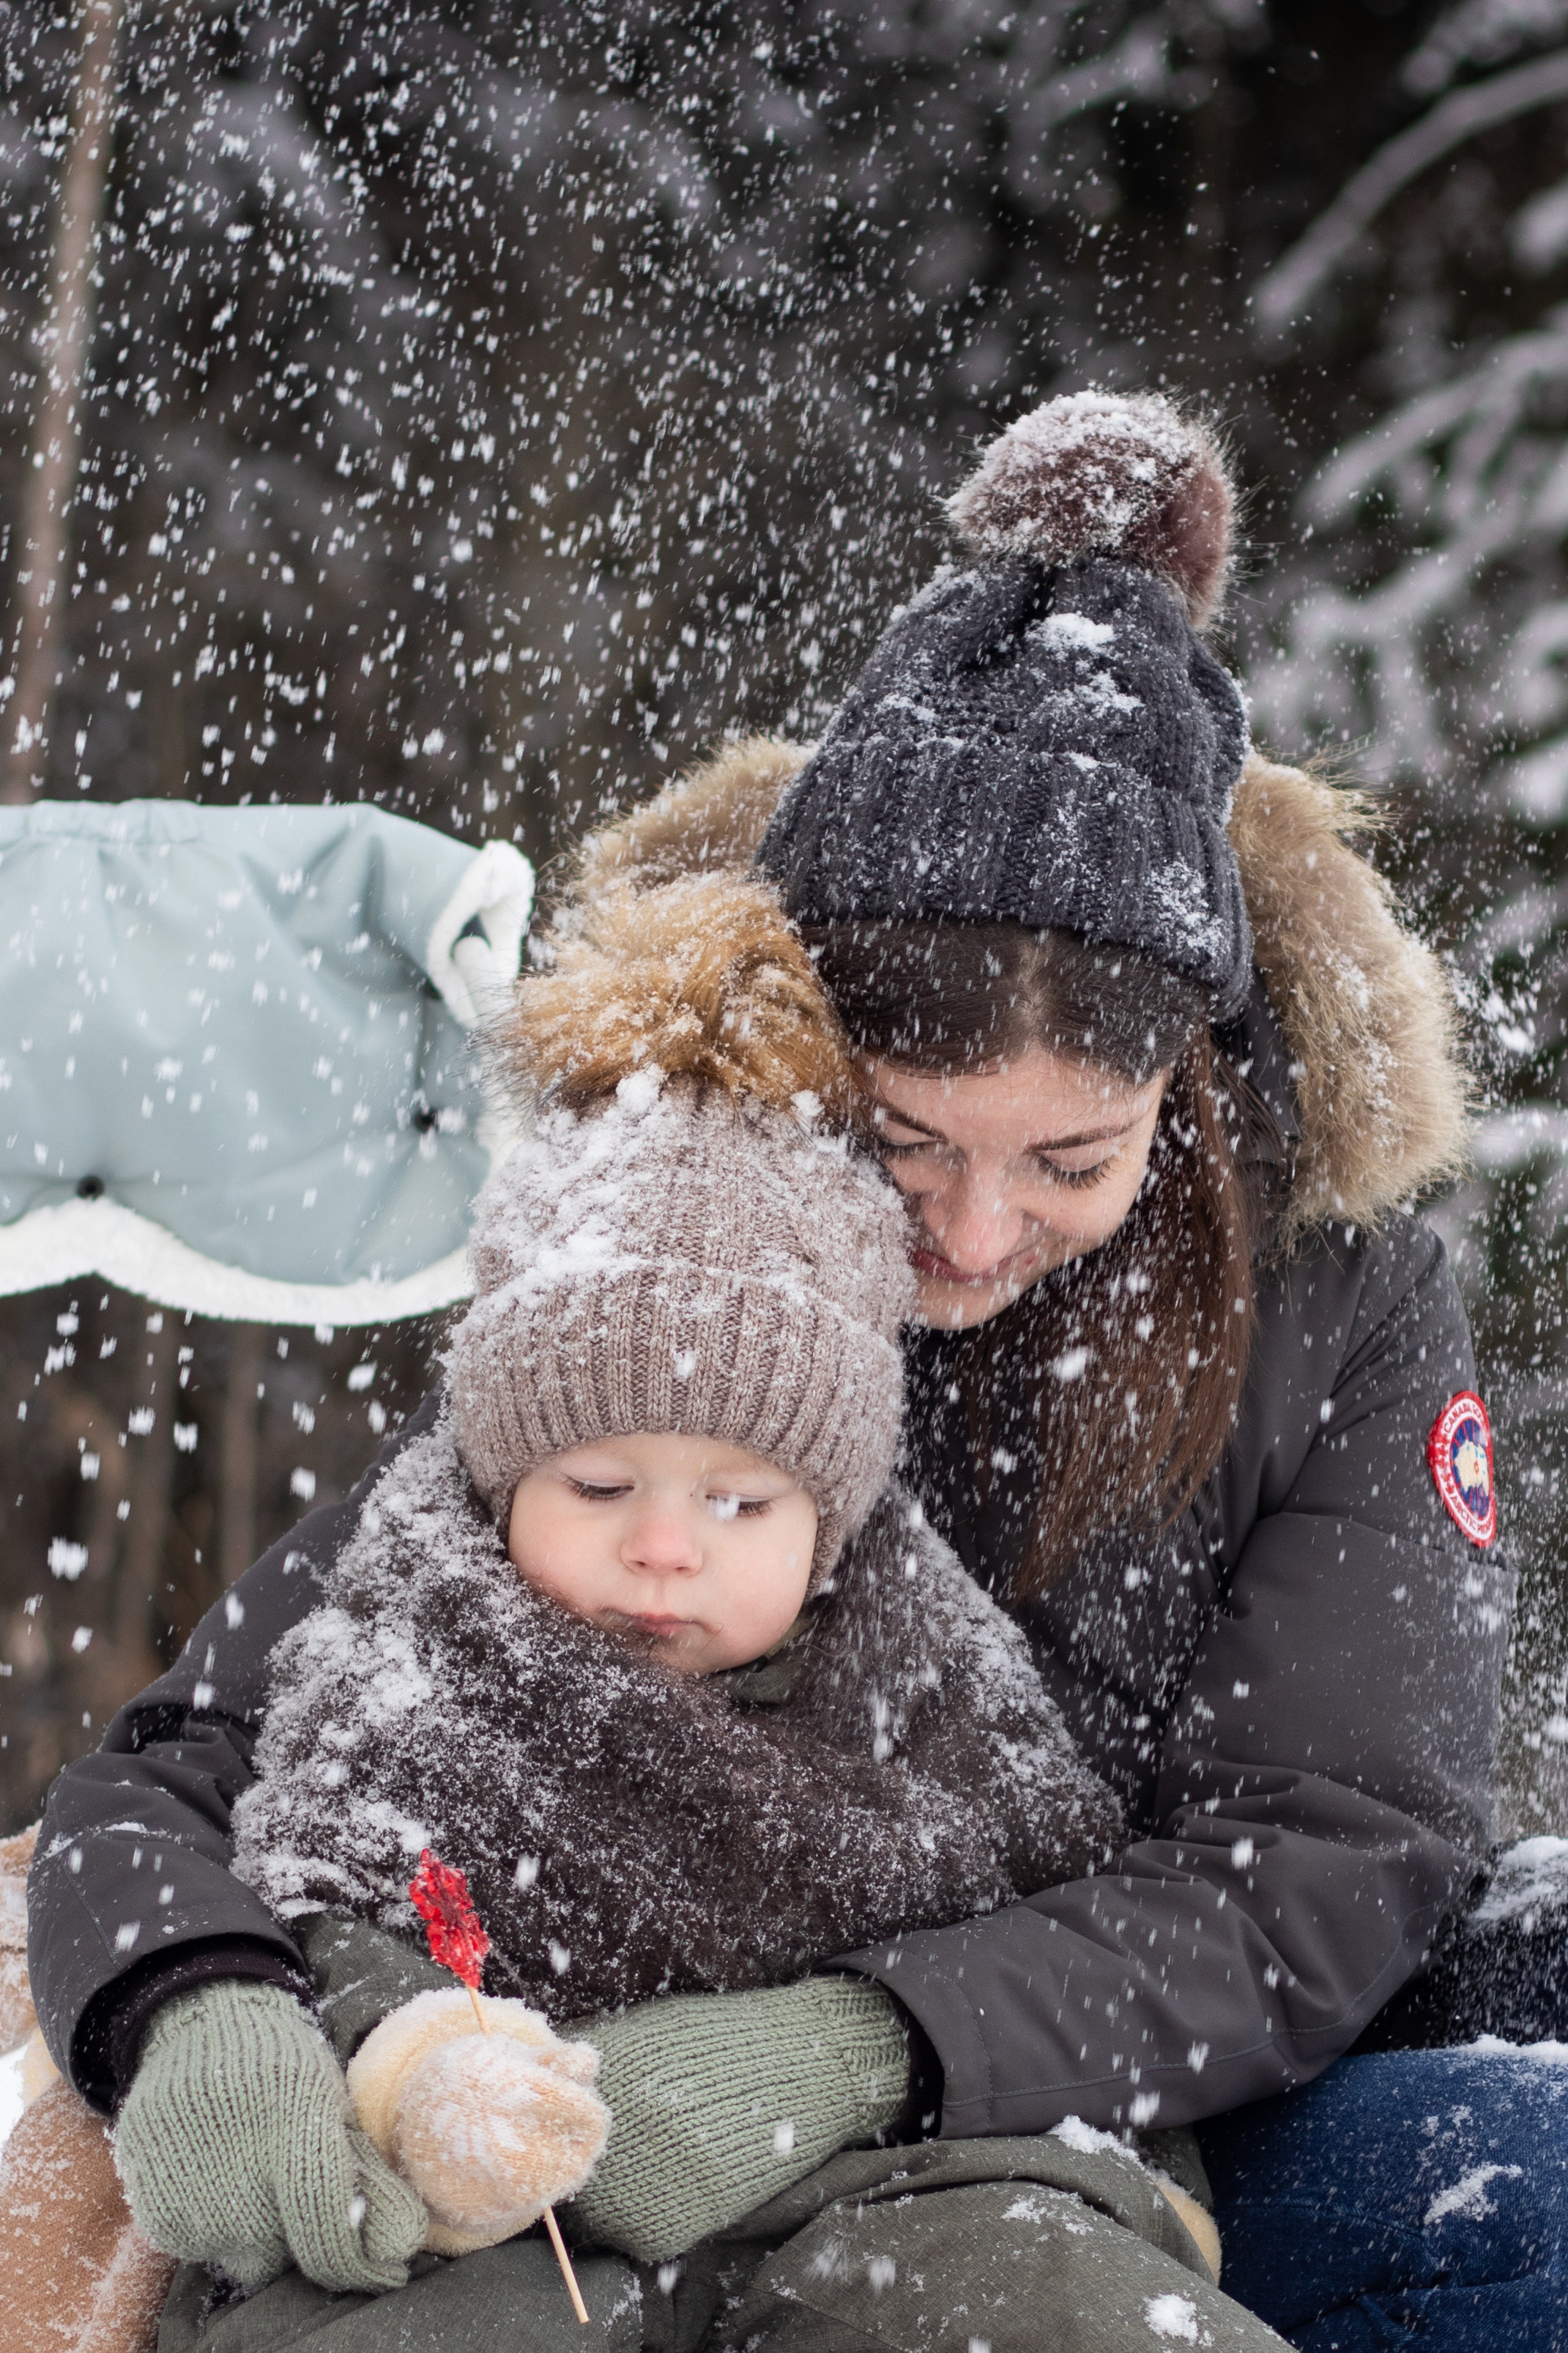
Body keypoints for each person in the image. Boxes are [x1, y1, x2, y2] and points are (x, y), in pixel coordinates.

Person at [23, 389, 1538, 2350]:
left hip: (1107, 2089)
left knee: (1520, 2181)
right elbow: (235, 1739)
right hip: (562, 2106)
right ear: (819, 1064)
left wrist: (870, 2042)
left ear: (1188, 1086)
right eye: (909, 1143)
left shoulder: (1331, 1305)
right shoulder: (692, 1251)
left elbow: (1334, 1850)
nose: (974, 1229)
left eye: (1069, 1161)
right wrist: (190, 1994)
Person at [114, 872, 1124, 2297]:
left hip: (877, 2184)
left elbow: (1062, 1919)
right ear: (499, 1481)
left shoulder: (928, 1684)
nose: (663, 1546)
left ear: (831, 1522)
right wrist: (414, 2055)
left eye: (740, 1502)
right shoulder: (412, 1657)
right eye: (597, 1487)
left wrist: (877, 2060)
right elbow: (328, 1894)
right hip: (490, 2214)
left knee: (1044, 2296)